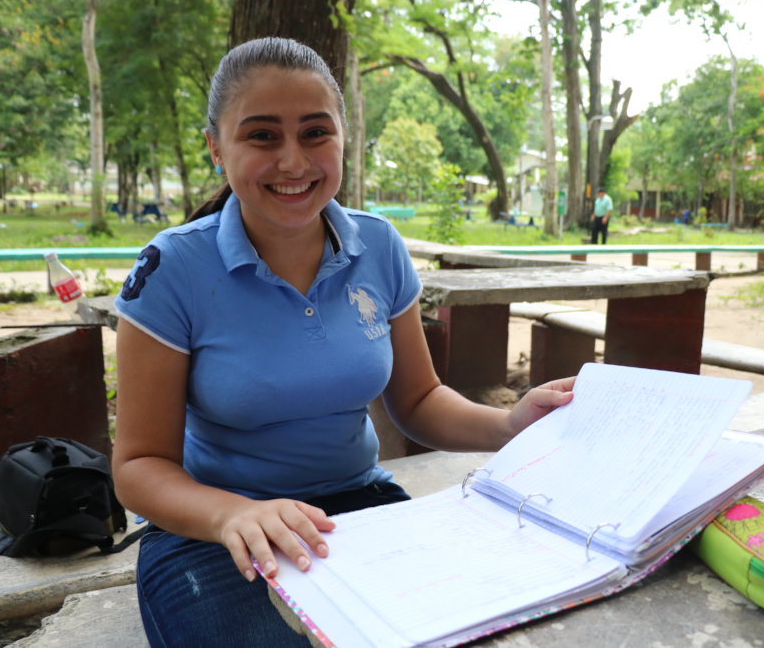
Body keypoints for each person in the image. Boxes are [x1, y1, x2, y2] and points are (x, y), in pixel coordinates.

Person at [111, 37, 575, 647]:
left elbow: (419, 399)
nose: (293, 161)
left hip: (358, 508)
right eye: (261, 136)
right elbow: (140, 468)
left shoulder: (379, 247)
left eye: (314, 133)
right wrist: (233, 513)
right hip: (213, 531)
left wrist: (511, 423)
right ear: (216, 148)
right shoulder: (174, 267)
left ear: (343, 140)